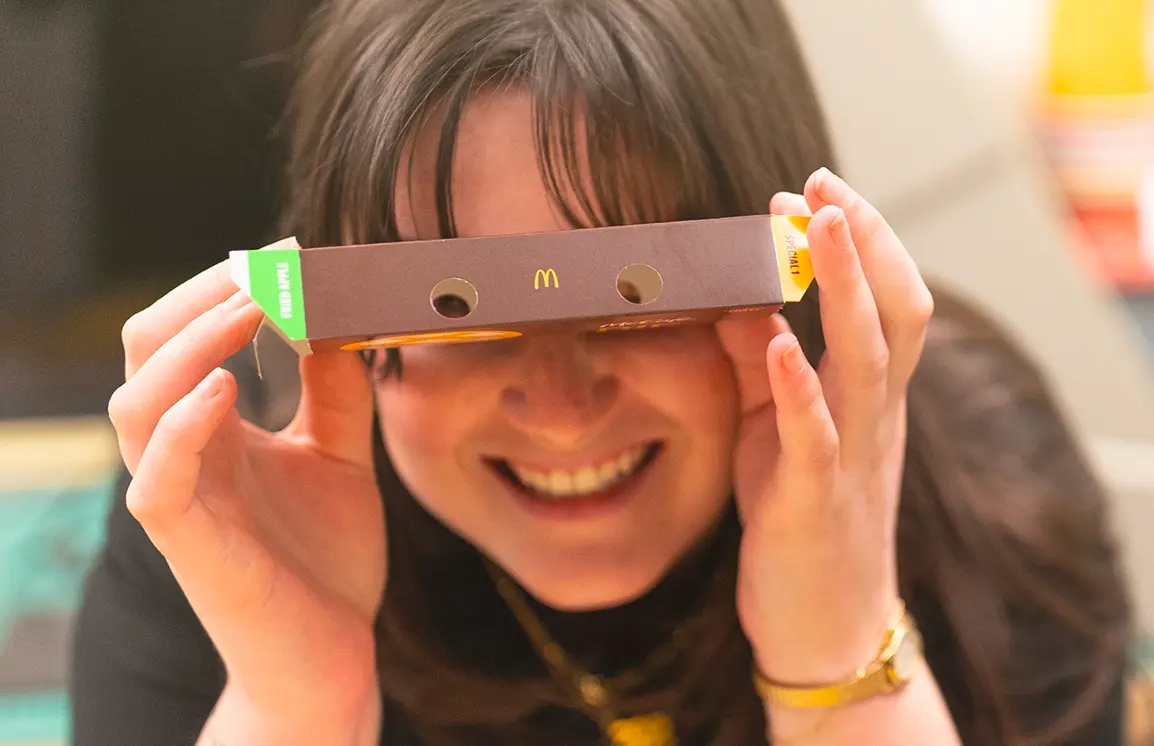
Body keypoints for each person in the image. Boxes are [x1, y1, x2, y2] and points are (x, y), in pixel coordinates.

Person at [69, 0, 1133, 744]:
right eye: (460, 311)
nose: (561, 401)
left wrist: (844, 665)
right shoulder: (224, 523)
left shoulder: (988, 503)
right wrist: (295, 704)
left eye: (641, 299)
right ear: (347, 329)